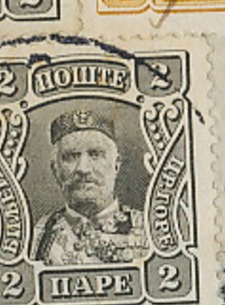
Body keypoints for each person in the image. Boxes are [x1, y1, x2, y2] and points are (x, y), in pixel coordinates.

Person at [32, 108, 149, 266]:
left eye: (95, 154)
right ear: (55, 170)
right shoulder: (37, 237)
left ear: (116, 165)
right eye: (71, 156)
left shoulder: (147, 229)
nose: (83, 168)